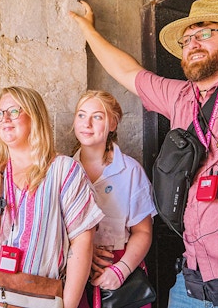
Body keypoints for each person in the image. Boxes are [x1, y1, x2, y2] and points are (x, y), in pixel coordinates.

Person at [69, 0, 218, 307]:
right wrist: (87, 29)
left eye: (205, 33)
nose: (193, 44)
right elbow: (126, 70)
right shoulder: (179, 97)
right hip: (191, 282)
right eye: (187, 39)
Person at [0, 86, 105, 308]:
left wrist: (69, 305)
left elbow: (82, 242)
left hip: (45, 300)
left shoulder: (64, 171)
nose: (5, 118)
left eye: (14, 111)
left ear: (35, 117)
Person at [71, 90, 156, 308]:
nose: (86, 123)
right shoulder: (63, 169)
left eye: (97, 117)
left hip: (119, 268)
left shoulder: (129, 171)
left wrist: (122, 270)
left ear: (113, 124)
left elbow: (143, 231)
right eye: (81, 115)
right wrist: (82, 252)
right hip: (73, 269)